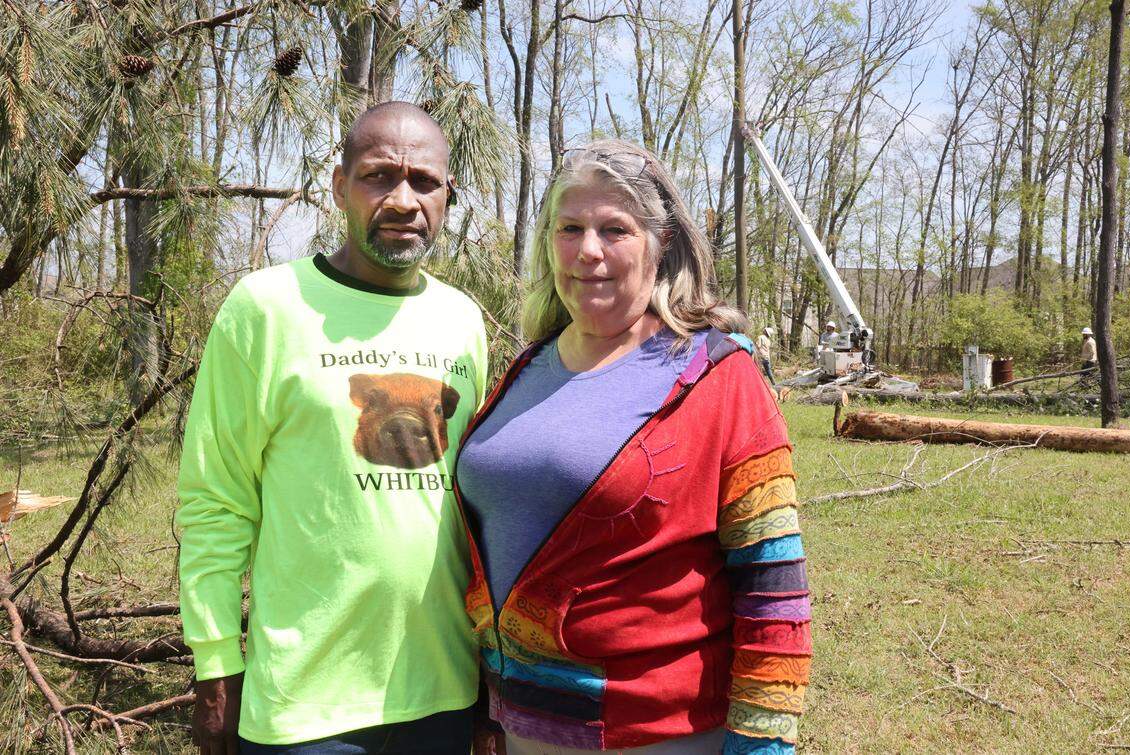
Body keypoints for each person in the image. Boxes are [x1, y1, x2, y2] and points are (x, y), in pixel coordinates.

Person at [456, 141, 810, 755]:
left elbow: (772, 581)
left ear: (660, 241)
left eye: (614, 228)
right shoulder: (525, 367)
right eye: (570, 228)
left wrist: (763, 742)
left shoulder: (717, 375)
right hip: (515, 726)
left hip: (656, 733)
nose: (588, 249)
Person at [177, 102, 487, 755]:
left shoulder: (462, 320)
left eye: (424, 181)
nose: (404, 199)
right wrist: (214, 668)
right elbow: (215, 503)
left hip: (445, 692)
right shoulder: (265, 309)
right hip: (304, 707)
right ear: (340, 186)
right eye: (380, 177)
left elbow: (475, 508)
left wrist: (492, 679)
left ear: (448, 196)